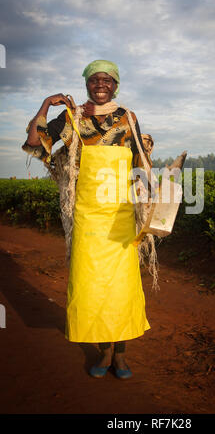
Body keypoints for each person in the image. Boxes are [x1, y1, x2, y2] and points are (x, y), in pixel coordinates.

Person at [22, 60, 155, 380]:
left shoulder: (127, 118)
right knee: (90, 286)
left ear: (115, 85)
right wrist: (45, 104)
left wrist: (152, 199)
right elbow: (34, 145)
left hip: (122, 217)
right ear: (86, 84)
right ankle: (104, 351)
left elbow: (142, 161)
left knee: (121, 288)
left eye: (107, 80)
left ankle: (120, 354)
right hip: (86, 216)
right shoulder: (71, 118)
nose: (100, 84)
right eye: (94, 79)